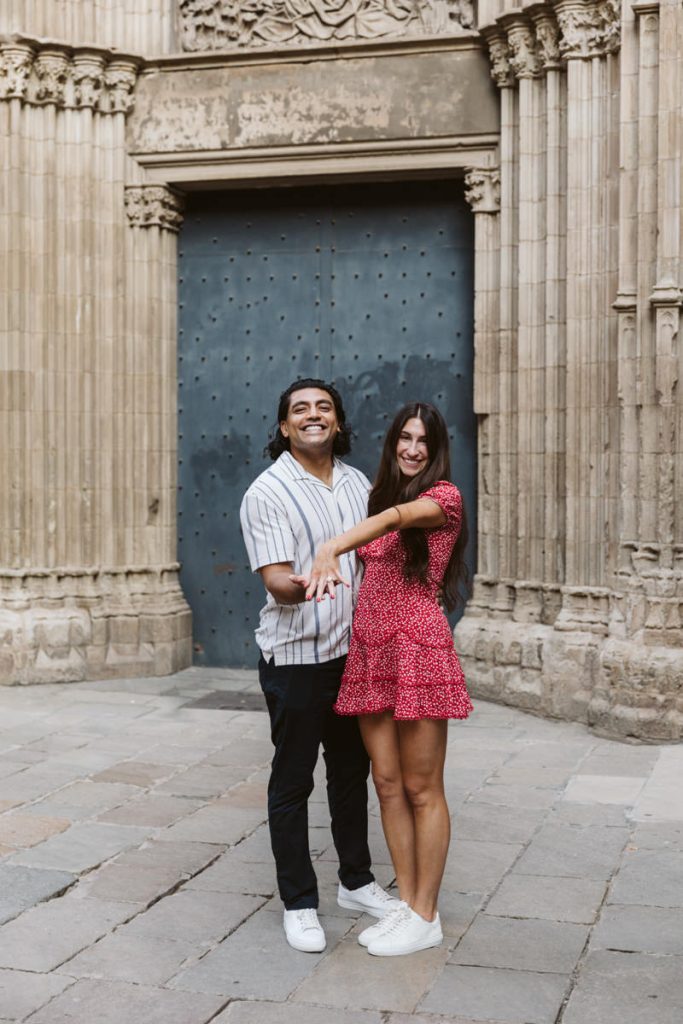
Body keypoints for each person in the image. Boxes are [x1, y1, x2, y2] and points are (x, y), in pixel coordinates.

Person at [301, 401, 473, 956]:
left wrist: (333, 545)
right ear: (393, 442)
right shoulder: (381, 496)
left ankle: (427, 913)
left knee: (424, 787)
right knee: (388, 784)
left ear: (436, 448)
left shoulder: (441, 498)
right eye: (404, 437)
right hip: (371, 651)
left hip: (417, 649)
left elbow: (397, 522)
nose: (412, 449)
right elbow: (384, 518)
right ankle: (406, 906)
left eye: (423, 440)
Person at [239, 378, 400, 953]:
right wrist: (305, 585)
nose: (313, 415)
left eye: (323, 407)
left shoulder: (359, 483)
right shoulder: (268, 491)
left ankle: (355, 881)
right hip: (298, 659)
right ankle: (299, 901)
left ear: (337, 421)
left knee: (351, 773)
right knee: (293, 780)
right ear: (284, 426)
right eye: (300, 409)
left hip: (352, 656)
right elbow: (277, 581)